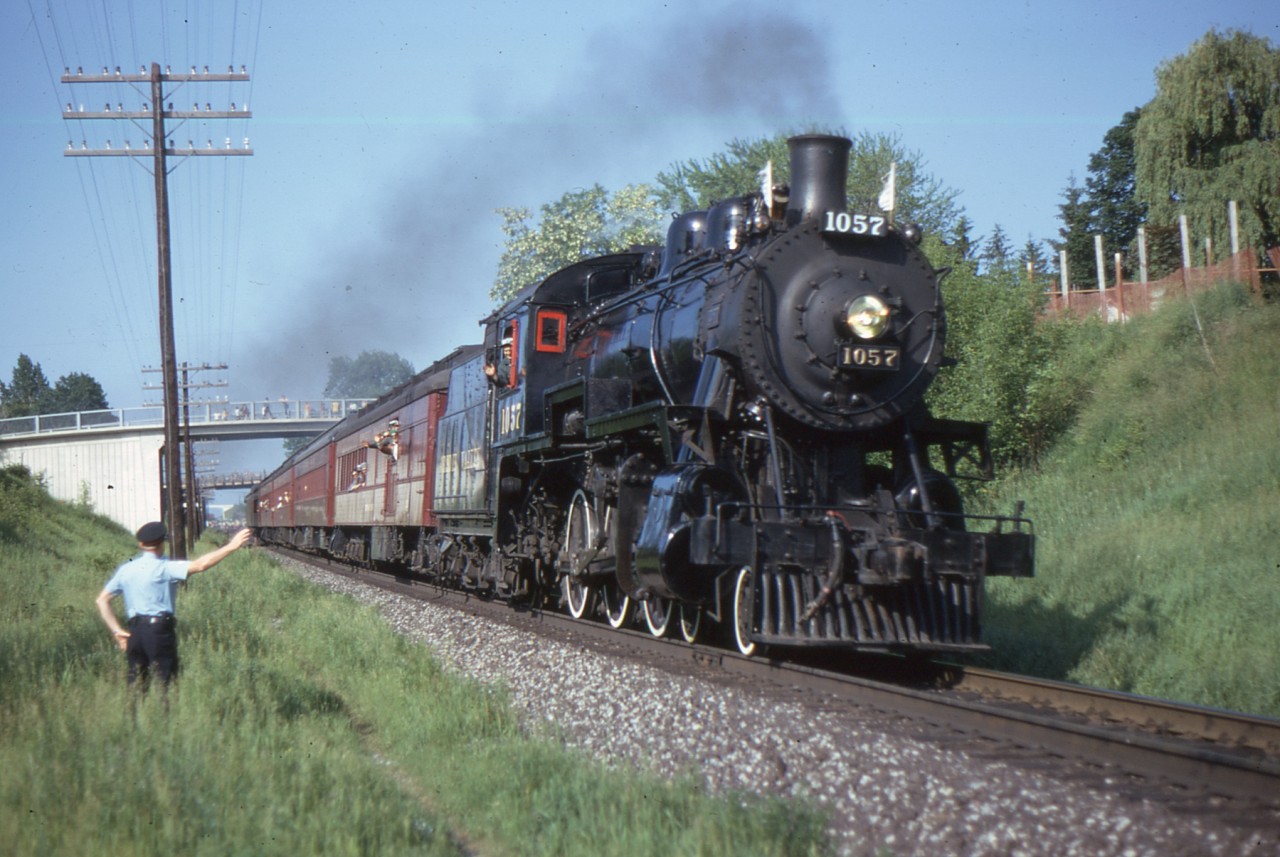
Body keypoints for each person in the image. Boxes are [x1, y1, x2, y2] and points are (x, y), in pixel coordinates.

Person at [95, 522, 253, 691]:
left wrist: (117, 631)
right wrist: (231, 546)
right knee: (166, 684)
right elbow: (201, 565)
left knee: (136, 686)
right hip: (158, 632)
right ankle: (164, 715)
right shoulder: (164, 568)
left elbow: (102, 600)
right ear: (163, 542)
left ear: (141, 544)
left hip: (134, 633)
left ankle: (136, 716)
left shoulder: (126, 569)